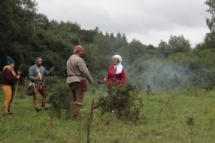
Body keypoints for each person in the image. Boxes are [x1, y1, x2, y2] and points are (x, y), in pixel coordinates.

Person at [66, 45, 94, 118]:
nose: (83, 52)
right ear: (77, 51)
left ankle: (71, 113)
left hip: (70, 80)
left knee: (74, 98)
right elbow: (85, 71)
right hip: (78, 80)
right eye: (82, 51)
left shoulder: (69, 59)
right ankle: (76, 115)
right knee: (79, 99)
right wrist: (90, 80)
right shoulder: (79, 59)